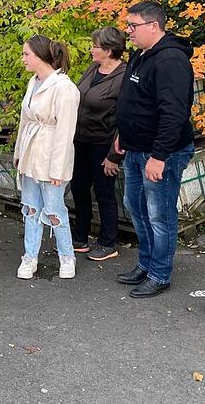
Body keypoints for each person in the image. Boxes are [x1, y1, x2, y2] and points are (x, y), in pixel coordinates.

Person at [114, 1, 195, 298]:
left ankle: (160, 274)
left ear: (153, 26)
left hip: (161, 153)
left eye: (133, 26)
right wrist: (123, 134)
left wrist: (160, 156)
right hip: (135, 148)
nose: (129, 31)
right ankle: (146, 263)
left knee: (159, 214)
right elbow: (134, 101)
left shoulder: (170, 60)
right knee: (135, 206)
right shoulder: (142, 55)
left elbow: (174, 112)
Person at [13, 34, 81, 280]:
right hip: (32, 153)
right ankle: (30, 256)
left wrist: (58, 170)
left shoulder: (65, 88)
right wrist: (19, 153)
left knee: (54, 210)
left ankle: (67, 256)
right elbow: (25, 121)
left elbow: (65, 133)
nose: (23, 59)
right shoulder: (34, 82)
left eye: (26, 54)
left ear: (40, 56)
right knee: (30, 208)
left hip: (51, 154)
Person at [70, 26, 127, 261]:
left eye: (95, 46)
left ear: (109, 50)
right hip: (81, 140)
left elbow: (126, 117)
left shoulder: (124, 75)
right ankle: (80, 236)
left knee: (104, 192)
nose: (91, 49)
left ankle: (107, 241)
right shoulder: (94, 68)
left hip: (104, 143)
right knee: (79, 188)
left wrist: (115, 154)